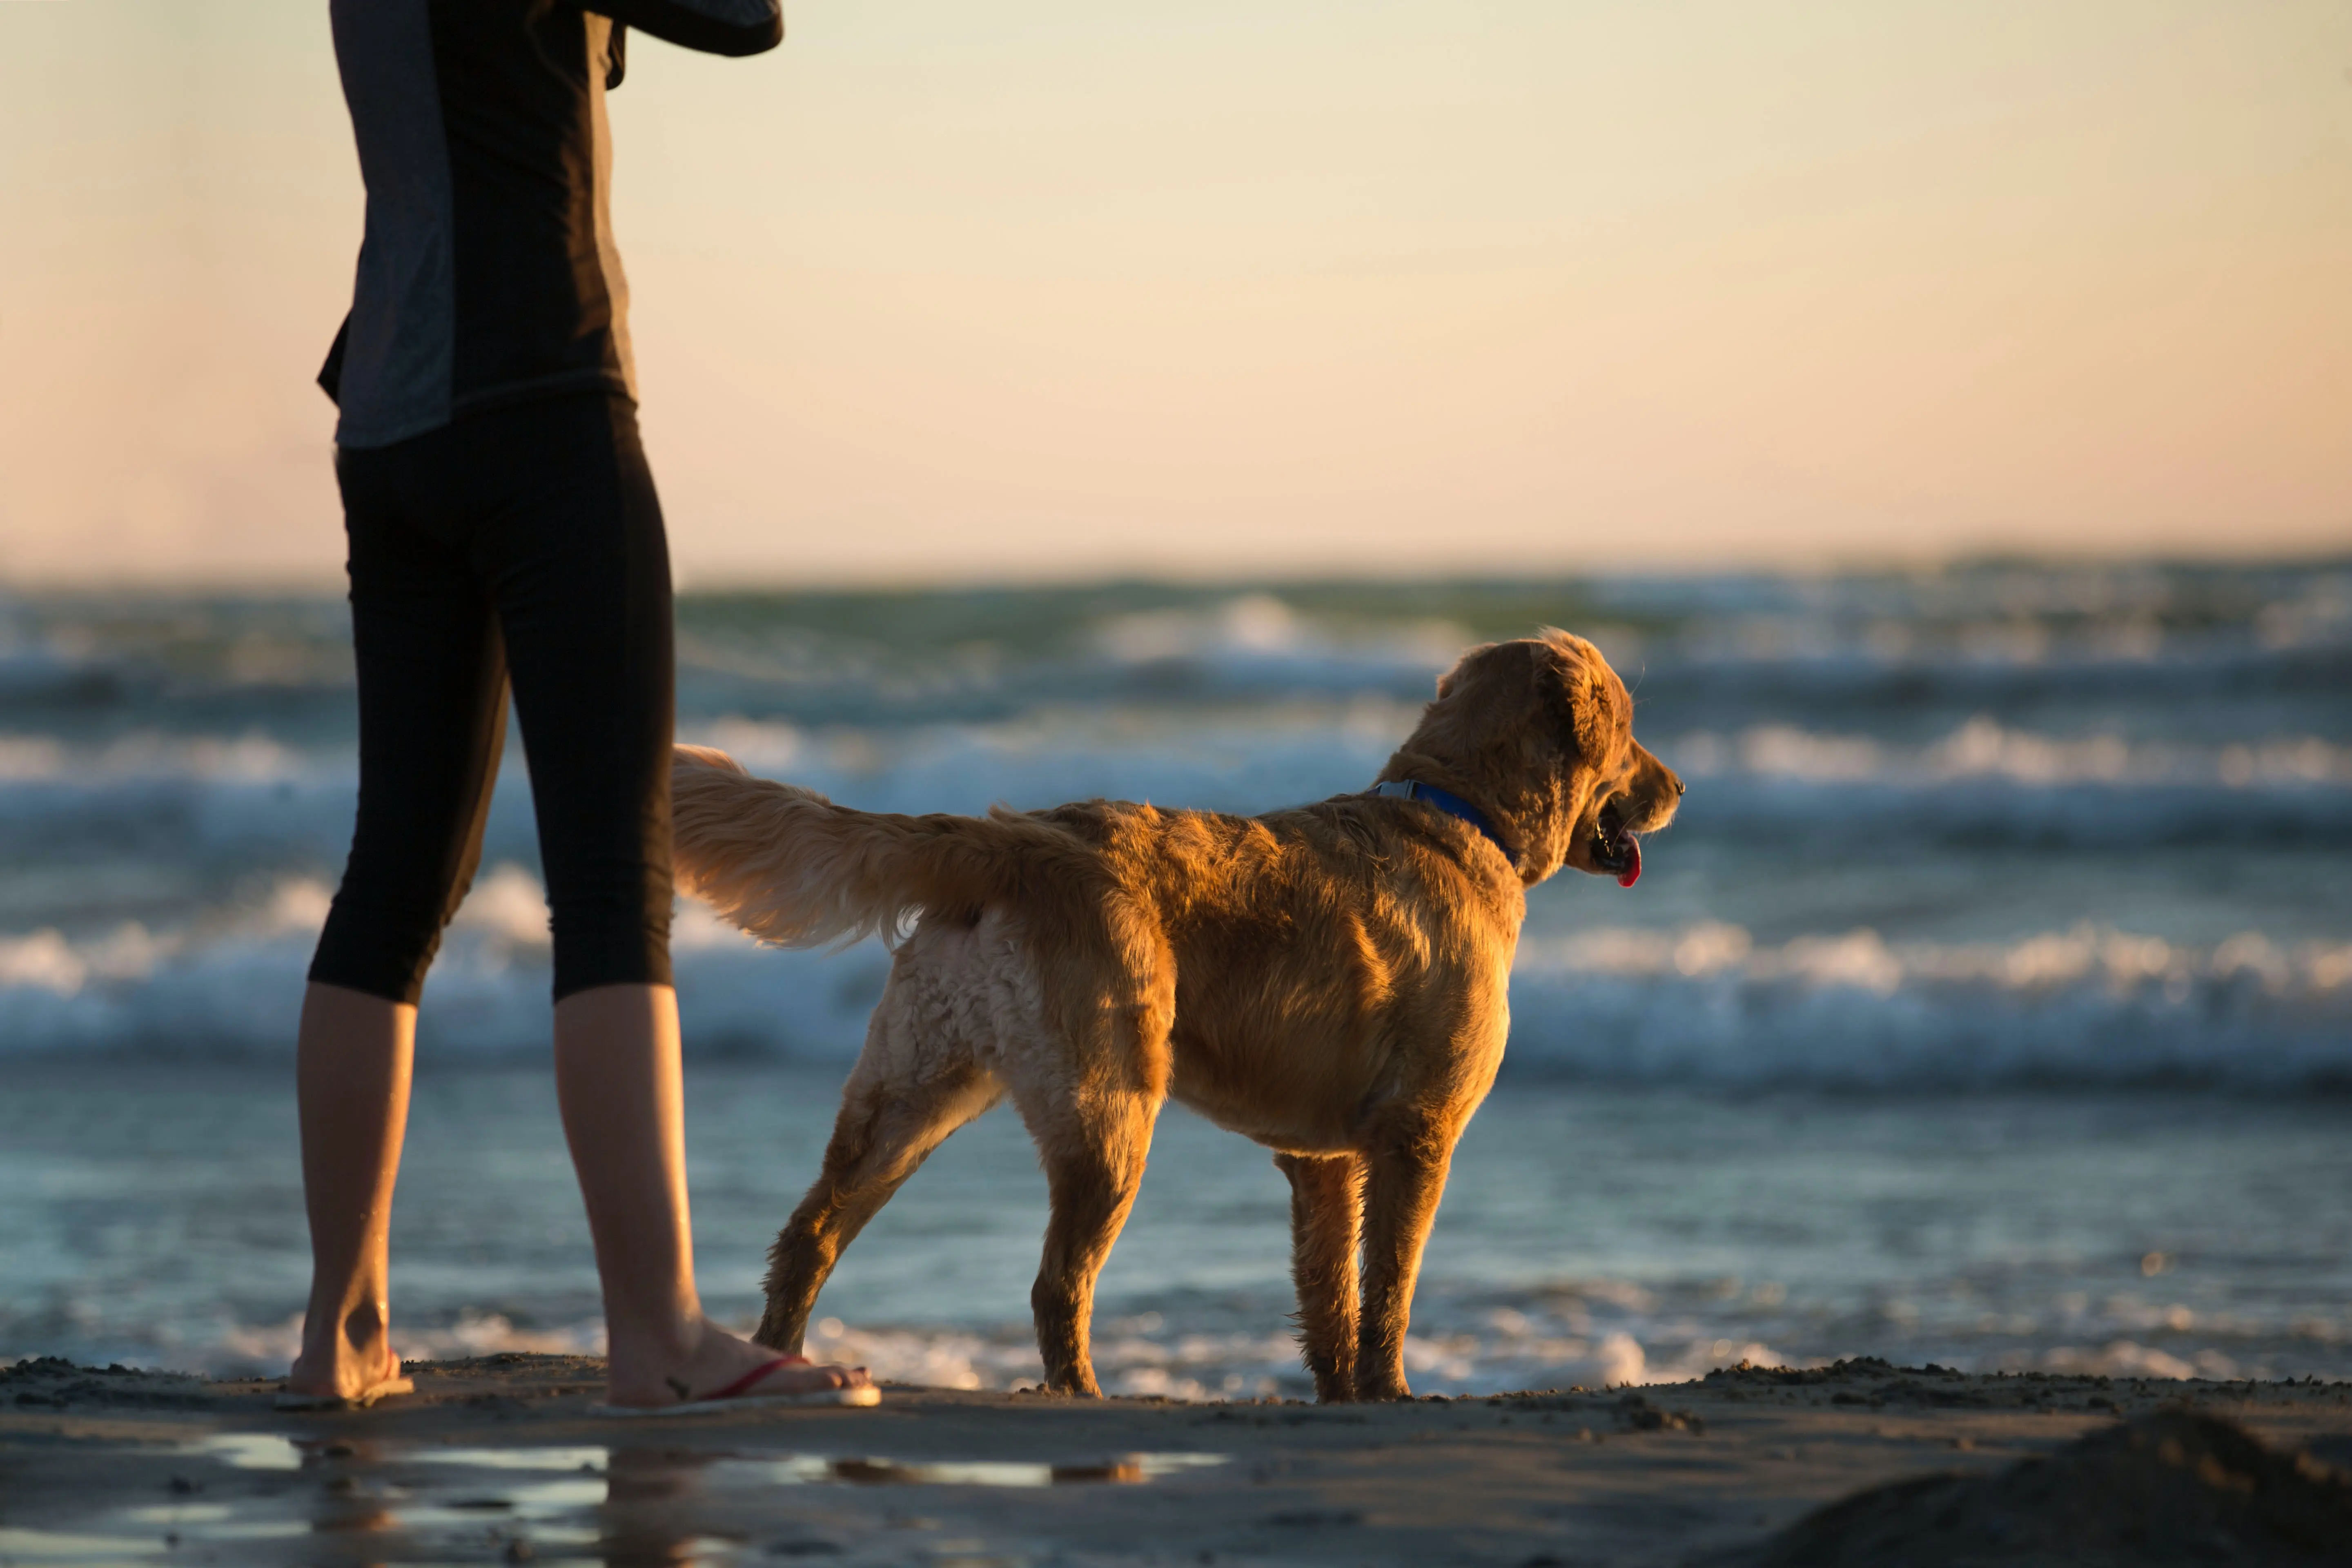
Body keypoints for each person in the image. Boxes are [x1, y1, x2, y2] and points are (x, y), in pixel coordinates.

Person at [281, 0, 873, 1412]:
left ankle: (340, 1336)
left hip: (391, 414)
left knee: (394, 881)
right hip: (541, 391)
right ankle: (659, 1337)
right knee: (611, 883)